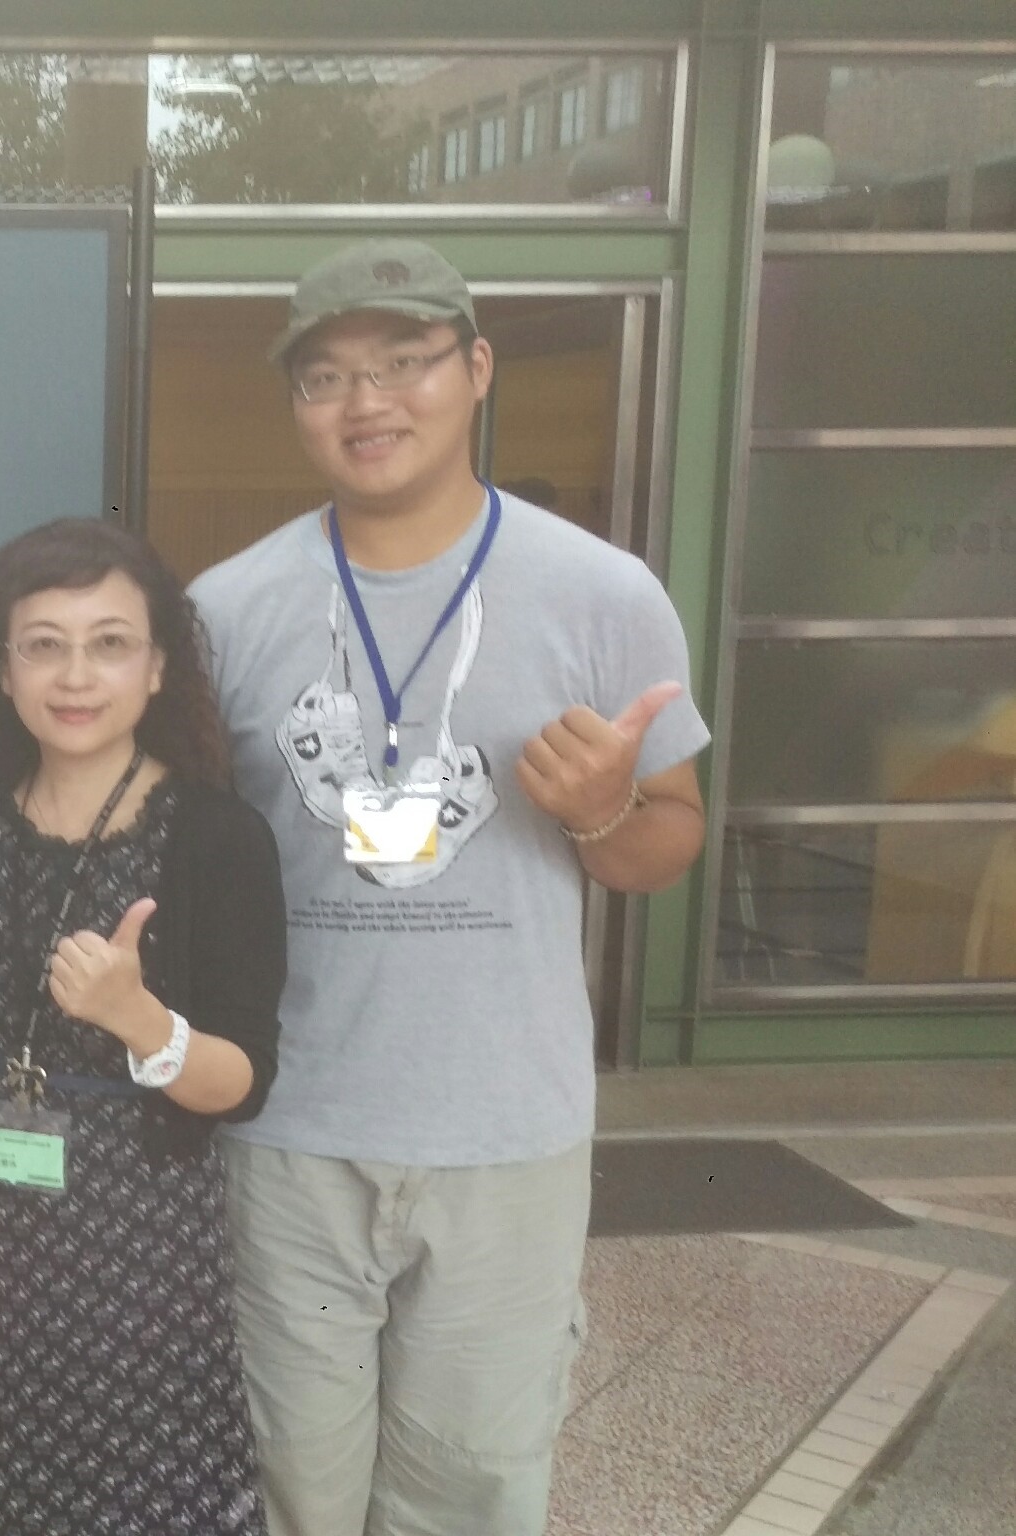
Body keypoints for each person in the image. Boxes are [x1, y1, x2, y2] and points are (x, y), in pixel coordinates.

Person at [187, 240, 710, 1536]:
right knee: (291, 1485)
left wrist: (603, 811)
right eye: (324, 376)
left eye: (402, 362)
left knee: (471, 1492)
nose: (364, 402)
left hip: (505, 1134)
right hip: (287, 1134)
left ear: (475, 369)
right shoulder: (225, 611)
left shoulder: (602, 595)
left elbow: (672, 841)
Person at [0, 516, 287, 1535]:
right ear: (3, 670)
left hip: (144, 1252)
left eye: (110, 643)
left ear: (157, 668)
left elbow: (242, 1083)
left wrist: (138, 1019)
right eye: (44, 645)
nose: (75, 675)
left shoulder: (217, 836)